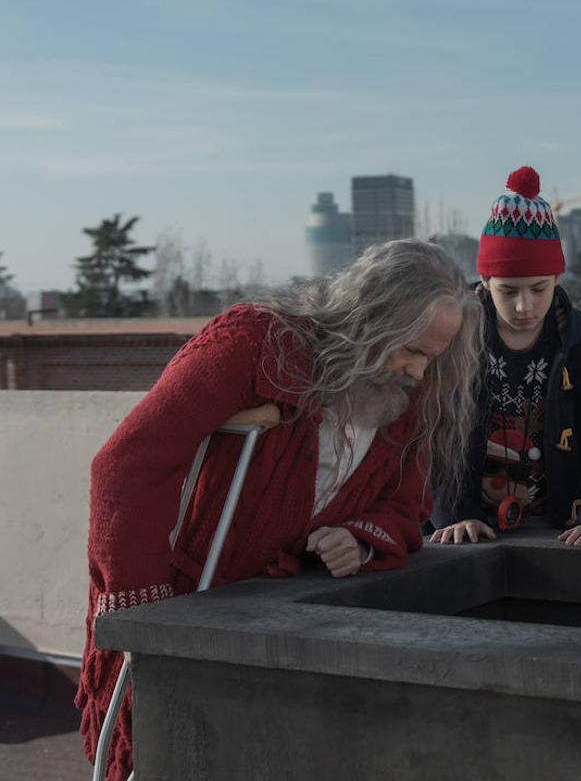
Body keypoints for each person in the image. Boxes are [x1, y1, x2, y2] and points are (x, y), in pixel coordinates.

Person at [78, 240, 482, 781]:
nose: (417, 370)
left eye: (433, 356)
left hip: (289, 635)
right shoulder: (256, 342)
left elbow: (408, 508)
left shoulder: (404, 400)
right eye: (410, 348)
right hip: (194, 600)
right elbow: (125, 468)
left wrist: (361, 537)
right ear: (370, 319)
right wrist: (146, 612)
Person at [429, 166, 581, 547]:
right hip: (463, 533)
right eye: (508, 291)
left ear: (557, 279)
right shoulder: (451, 339)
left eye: (538, 288)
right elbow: (422, 436)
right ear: (484, 282)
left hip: (560, 532)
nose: (523, 306)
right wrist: (450, 514)